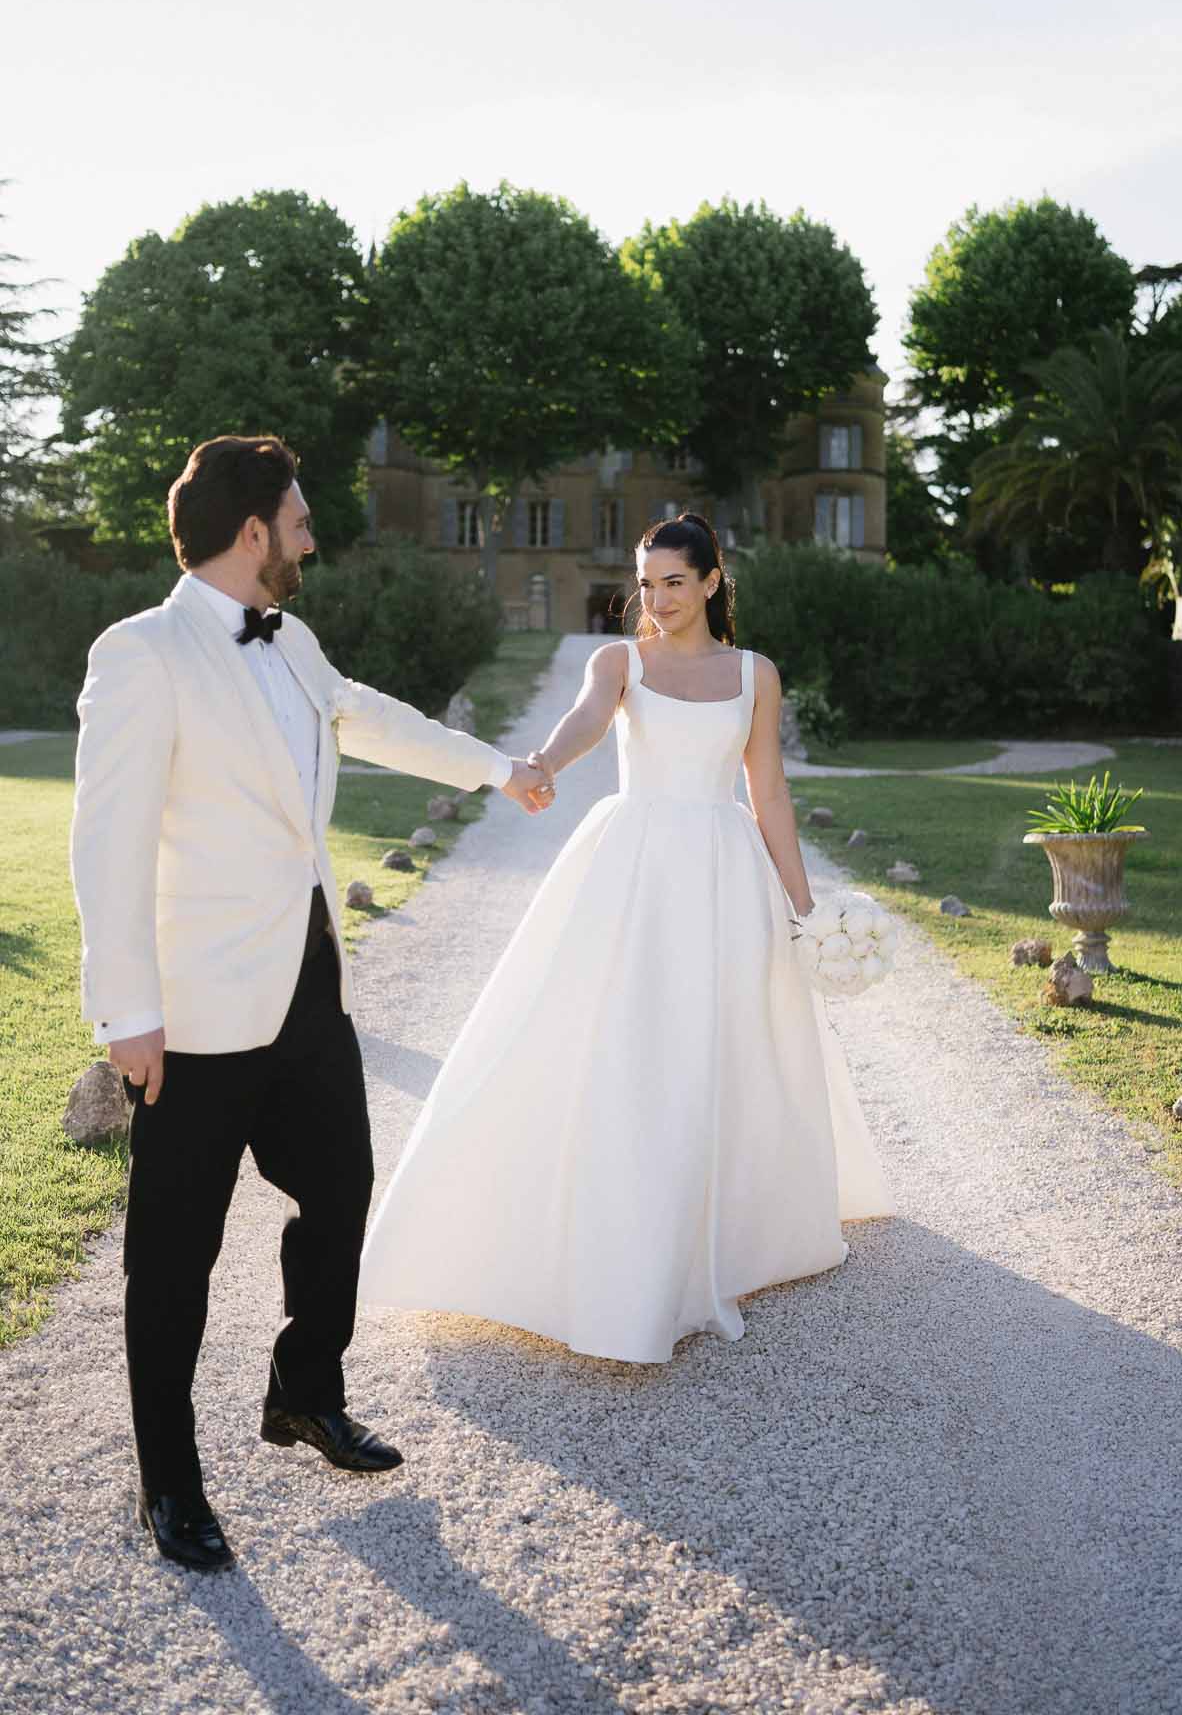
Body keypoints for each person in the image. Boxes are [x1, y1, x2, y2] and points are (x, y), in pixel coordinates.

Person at [69, 434, 555, 1573]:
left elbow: (372, 716)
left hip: (305, 989)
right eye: (297, 519)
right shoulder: (140, 653)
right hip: (189, 1013)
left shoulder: (291, 642)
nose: (311, 536)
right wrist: (125, 1010)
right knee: (172, 1258)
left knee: (341, 1188)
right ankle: (168, 1478)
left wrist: (497, 767)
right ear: (252, 535)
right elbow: (106, 842)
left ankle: (304, 1383)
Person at [358, 511, 891, 1363]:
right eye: (645, 584)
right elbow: (585, 721)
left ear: (713, 581)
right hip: (634, 866)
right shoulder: (621, 662)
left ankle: (720, 1227)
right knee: (624, 1036)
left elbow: (770, 797)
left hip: (723, 870)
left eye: (675, 582)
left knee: (719, 1042)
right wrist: (538, 769)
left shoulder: (754, 674)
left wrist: (802, 911)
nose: (658, 598)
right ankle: (612, 1231)